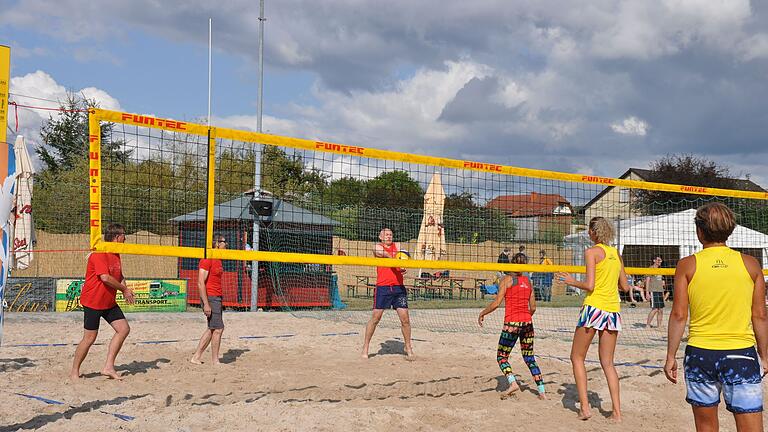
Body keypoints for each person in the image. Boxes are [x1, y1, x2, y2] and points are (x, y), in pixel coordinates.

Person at [665, 203, 768, 432]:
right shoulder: (751, 265)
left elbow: (679, 315)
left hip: (700, 354)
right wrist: (764, 355)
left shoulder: (687, 265)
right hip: (741, 353)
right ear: (730, 229)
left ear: (699, 231)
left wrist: (670, 355)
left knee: (706, 427)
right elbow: (760, 315)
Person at [556, 216, 631, 421]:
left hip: (594, 309)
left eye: (589, 230)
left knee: (577, 357)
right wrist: (608, 284)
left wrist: (572, 280)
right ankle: (616, 412)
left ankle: (585, 409)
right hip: (612, 310)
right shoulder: (615, 253)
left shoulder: (591, 252)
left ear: (593, 232)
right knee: (608, 362)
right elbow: (625, 287)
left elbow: (589, 286)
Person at [70, 223, 135, 381]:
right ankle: (74, 372)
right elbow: (105, 278)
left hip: (108, 302)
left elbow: (119, 275)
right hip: (93, 301)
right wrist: (123, 290)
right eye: (123, 236)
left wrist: (126, 289)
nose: (125, 238)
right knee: (90, 338)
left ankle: (108, 367)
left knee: (123, 329)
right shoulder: (99, 253)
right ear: (116, 237)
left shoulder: (116, 253)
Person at [478, 252, 546, 400]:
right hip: (527, 323)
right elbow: (533, 307)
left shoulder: (506, 280)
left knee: (502, 357)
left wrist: (483, 313)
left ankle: (513, 382)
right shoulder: (528, 281)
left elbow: (496, 303)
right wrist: (525, 319)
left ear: (511, 263)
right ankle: (542, 391)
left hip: (512, 324)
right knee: (529, 357)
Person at [361, 228, 414, 360]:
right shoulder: (377, 247)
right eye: (386, 235)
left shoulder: (398, 246)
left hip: (398, 288)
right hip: (383, 288)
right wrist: (396, 259)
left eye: (391, 235)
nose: (389, 237)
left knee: (405, 319)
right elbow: (383, 253)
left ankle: (408, 346)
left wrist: (403, 264)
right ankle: (365, 347)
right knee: (375, 318)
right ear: (380, 237)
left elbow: (406, 255)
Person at [191, 234, 227, 365]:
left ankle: (196, 357)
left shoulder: (218, 259)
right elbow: (200, 282)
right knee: (218, 329)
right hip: (211, 297)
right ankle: (215, 360)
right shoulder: (207, 258)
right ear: (217, 243)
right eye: (224, 242)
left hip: (216, 297)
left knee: (212, 328)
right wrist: (206, 304)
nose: (226, 244)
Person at [645, 256, 667, 328]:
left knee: (661, 310)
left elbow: (661, 282)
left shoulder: (660, 270)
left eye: (661, 260)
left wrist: (663, 293)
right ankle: (648, 325)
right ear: (654, 260)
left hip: (660, 291)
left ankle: (659, 326)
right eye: (658, 260)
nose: (660, 261)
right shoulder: (650, 268)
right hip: (653, 291)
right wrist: (647, 293)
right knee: (655, 309)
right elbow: (647, 281)